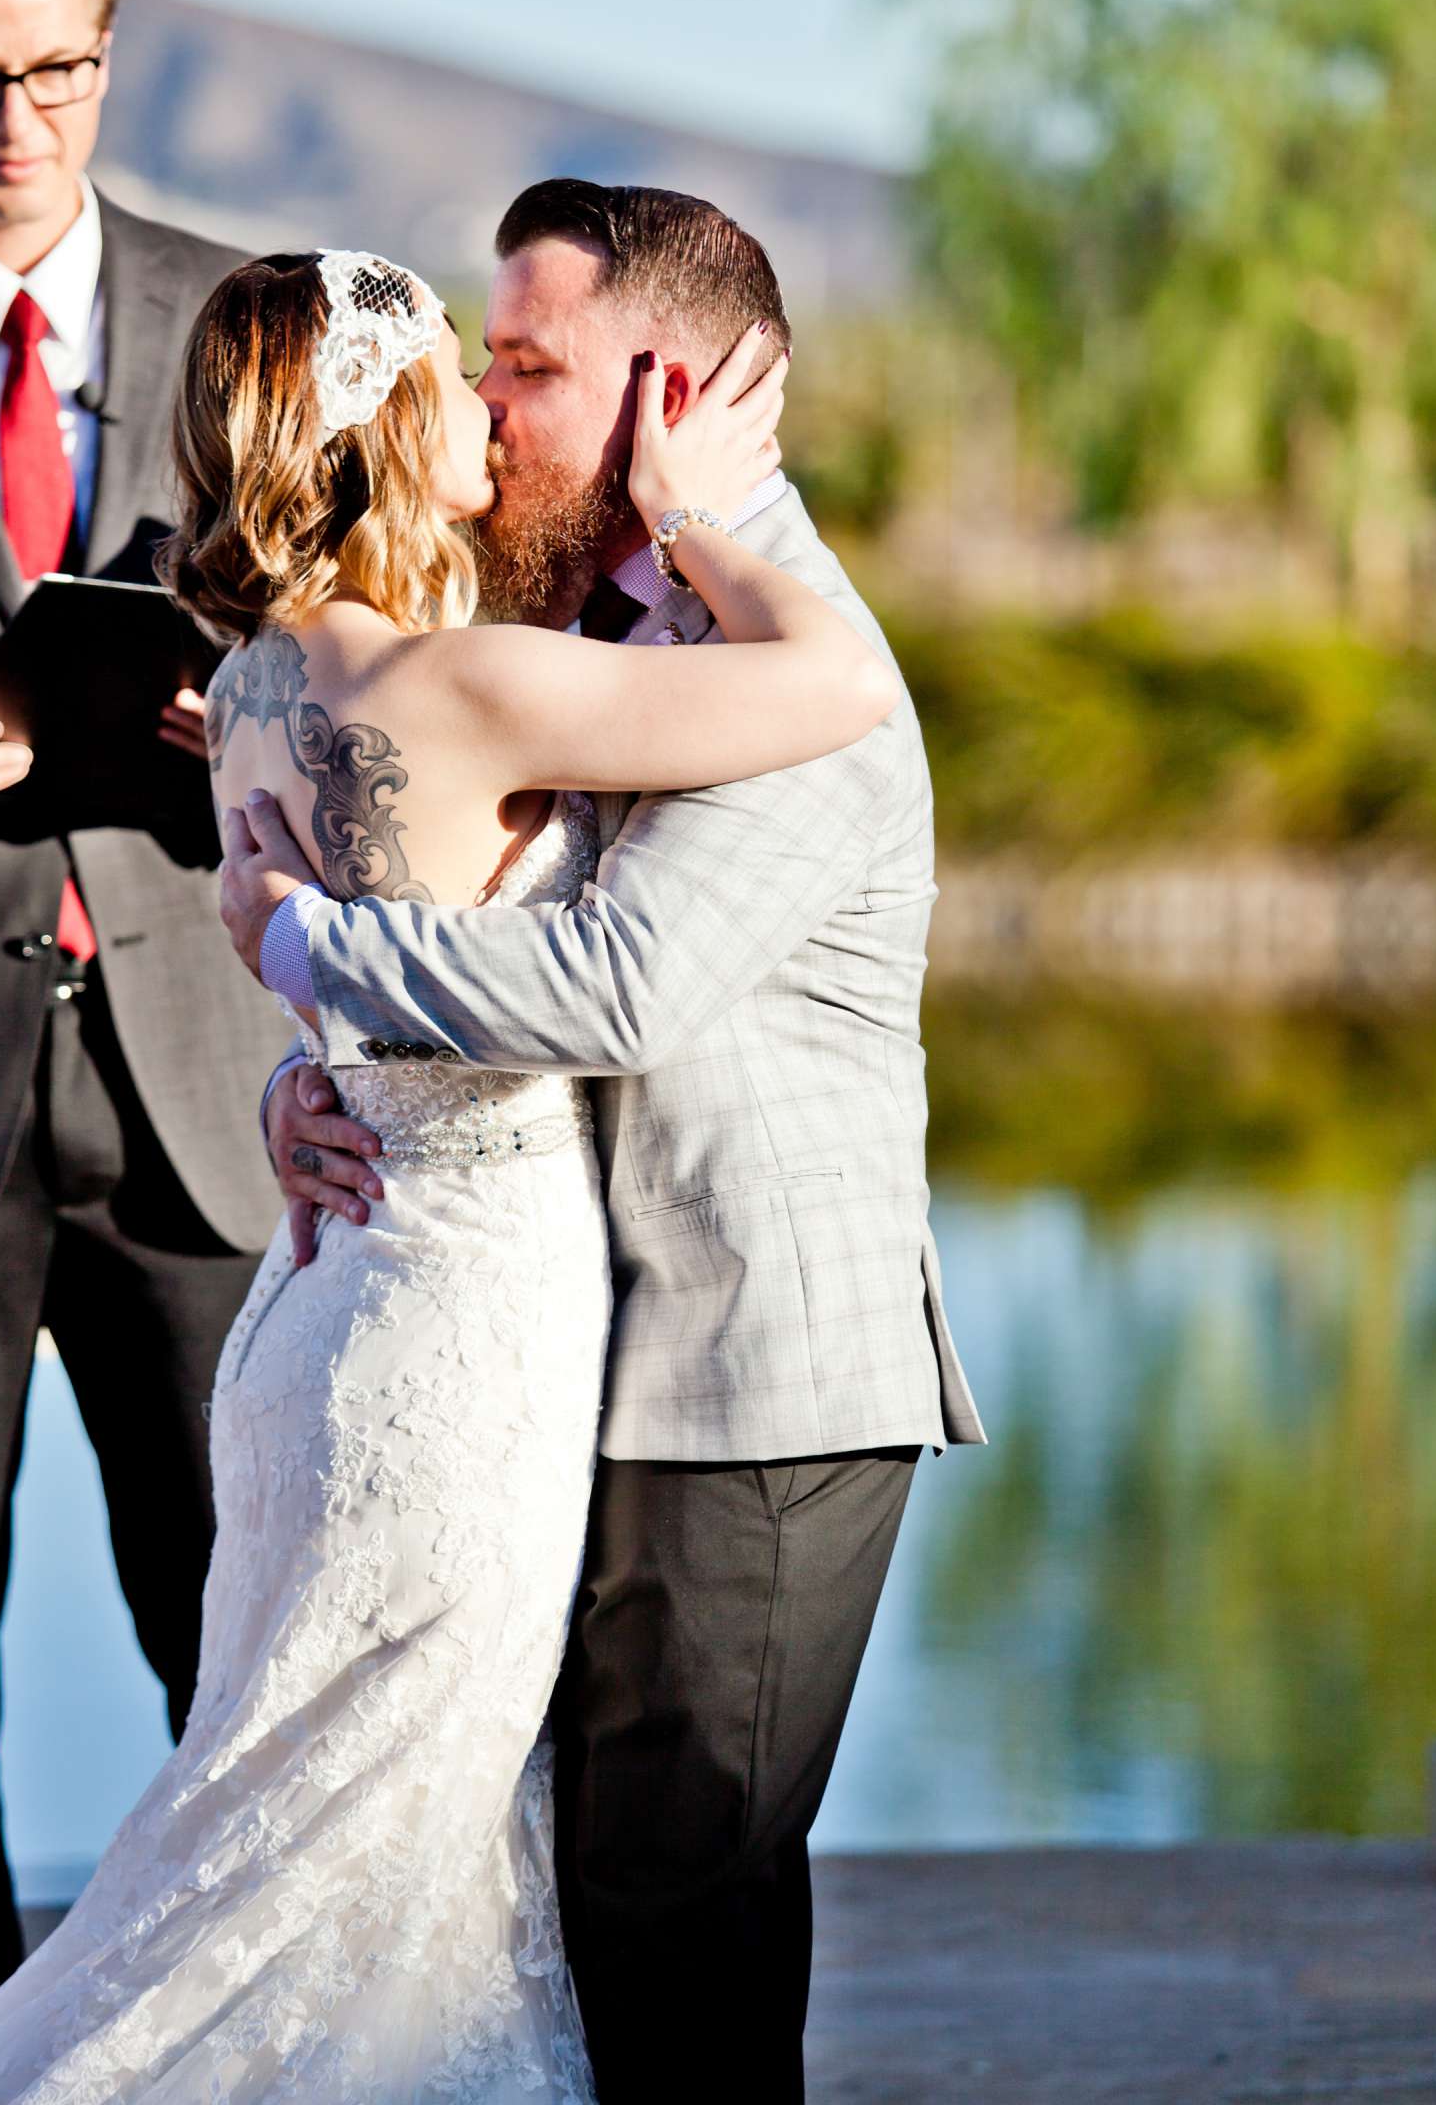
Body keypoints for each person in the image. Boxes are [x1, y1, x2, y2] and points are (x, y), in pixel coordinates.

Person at [0, 242, 896, 2100]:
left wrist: (305, 1032)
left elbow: (336, 945)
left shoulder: (257, 681)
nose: (489, 407)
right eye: (462, 369)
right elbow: (834, 676)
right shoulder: (473, 683)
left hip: (325, 1301)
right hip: (462, 1340)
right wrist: (708, 508)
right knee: (353, 1843)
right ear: (381, 423)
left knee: (284, 1822)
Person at [224, 179, 988, 2104]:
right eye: (483, 362)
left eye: (530, 369)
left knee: (682, 1904)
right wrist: (323, 1071)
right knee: (570, 1901)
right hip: (555, 1360)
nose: (483, 412)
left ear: (674, 396)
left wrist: (308, 940)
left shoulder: (803, 672)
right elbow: (467, 937)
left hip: (757, 1379)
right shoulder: (576, 624)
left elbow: (620, 981)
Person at [0, 0, 284, 2089]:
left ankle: (240, 2054)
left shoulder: (255, 324)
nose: (6, 123)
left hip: (203, 1088)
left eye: (46, 74)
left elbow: (366, 641)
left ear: (106, 60)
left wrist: (193, 718)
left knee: (241, 1643)